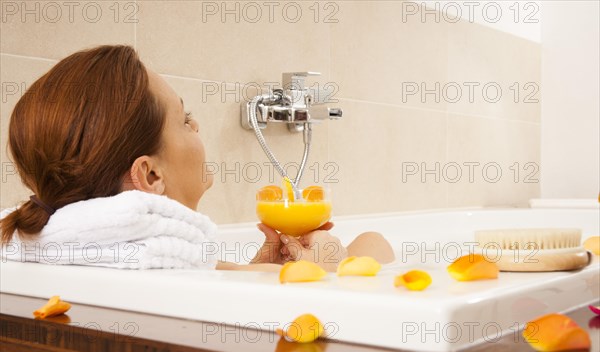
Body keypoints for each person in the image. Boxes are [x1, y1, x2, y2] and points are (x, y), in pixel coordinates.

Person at [0, 45, 394, 272]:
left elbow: (228, 278)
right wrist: (332, 266)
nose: (198, 126)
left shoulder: (113, 256)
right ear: (151, 176)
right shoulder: (166, 265)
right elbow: (378, 249)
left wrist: (261, 268)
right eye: (185, 120)